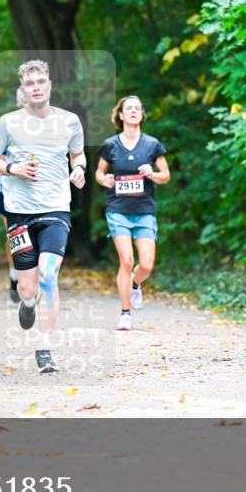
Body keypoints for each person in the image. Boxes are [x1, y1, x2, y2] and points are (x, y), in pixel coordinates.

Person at [0, 60, 86, 373]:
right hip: (18, 212)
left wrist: (79, 168)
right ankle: (28, 303)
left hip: (56, 208)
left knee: (49, 275)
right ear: (23, 89)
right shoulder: (8, 123)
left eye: (41, 81)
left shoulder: (69, 121)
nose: (36, 87)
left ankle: (45, 347)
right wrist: (13, 168)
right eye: (30, 83)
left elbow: (78, 154)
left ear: (50, 84)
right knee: (28, 288)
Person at [95, 95, 170, 330]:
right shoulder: (110, 145)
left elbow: (165, 175)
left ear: (142, 114)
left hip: (144, 210)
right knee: (126, 261)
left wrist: (152, 173)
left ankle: (136, 284)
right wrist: (104, 180)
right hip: (118, 209)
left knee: (146, 265)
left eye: (138, 108)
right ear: (120, 115)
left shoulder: (152, 144)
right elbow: (98, 173)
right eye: (129, 108)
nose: (134, 111)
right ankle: (125, 313)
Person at [0, 87, 28, 303]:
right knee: (14, 235)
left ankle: (33, 281)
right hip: (8, 190)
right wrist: (14, 167)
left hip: (37, 191)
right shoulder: (6, 125)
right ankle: (14, 275)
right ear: (19, 103)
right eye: (25, 100)